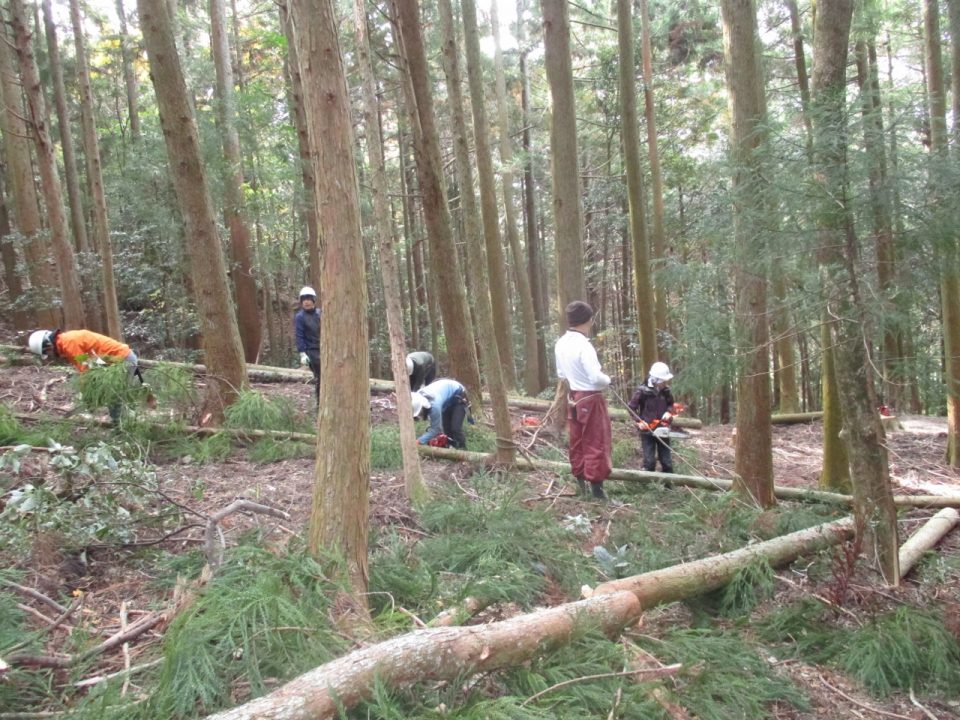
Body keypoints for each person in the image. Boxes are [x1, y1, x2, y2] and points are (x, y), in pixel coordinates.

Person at [554, 300, 612, 500]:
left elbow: (561, 373)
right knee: (596, 442)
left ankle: (582, 486)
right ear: (587, 320)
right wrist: (608, 380)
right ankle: (598, 493)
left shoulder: (560, 343)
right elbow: (596, 378)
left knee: (577, 441)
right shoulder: (584, 346)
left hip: (574, 397)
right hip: (590, 398)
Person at [28, 328, 143, 422]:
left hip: (123, 360)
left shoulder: (69, 344)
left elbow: (85, 370)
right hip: (113, 361)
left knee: (115, 395)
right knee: (113, 394)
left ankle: (122, 427)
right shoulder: (67, 342)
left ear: (48, 344)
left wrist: (88, 394)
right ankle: (127, 419)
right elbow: (87, 364)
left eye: (47, 352)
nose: (50, 355)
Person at [628, 361, 676, 474]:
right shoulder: (642, 391)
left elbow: (671, 405)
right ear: (656, 380)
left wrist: (669, 412)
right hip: (647, 431)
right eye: (663, 381)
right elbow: (631, 408)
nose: (665, 383)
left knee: (667, 461)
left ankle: (668, 487)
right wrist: (639, 421)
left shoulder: (666, 391)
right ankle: (648, 487)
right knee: (649, 462)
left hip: (663, 429)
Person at [411, 378, 469, 449]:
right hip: (446, 400)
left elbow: (435, 429)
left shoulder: (435, 405)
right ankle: (453, 450)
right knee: (447, 429)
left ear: (423, 406)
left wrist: (419, 441)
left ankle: (463, 451)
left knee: (455, 428)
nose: (420, 415)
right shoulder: (418, 396)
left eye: (420, 412)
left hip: (459, 396)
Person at [293, 286, 321, 404]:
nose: (307, 302)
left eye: (309, 299)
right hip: (311, 350)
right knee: (321, 376)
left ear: (313, 300)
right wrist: (302, 353)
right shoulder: (300, 317)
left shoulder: (320, 313)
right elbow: (299, 335)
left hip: (324, 348)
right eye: (304, 300)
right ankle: (320, 403)